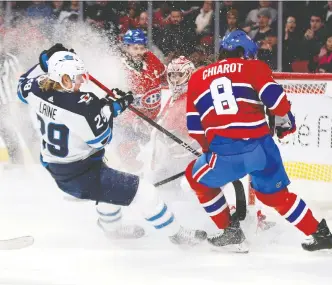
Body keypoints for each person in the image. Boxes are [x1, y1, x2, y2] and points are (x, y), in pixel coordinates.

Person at [16, 44, 206, 245]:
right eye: (77, 76)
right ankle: (178, 235)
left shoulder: (37, 88)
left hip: (56, 164)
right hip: (81, 172)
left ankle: (111, 229)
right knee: (146, 193)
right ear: (63, 79)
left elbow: (22, 84)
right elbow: (102, 139)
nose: (83, 80)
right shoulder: (81, 107)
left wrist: (45, 61)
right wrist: (111, 108)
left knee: (109, 187)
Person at [184, 30, 332, 253]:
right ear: (246, 53)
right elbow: (279, 105)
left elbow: (195, 128)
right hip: (262, 148)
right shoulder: (254, 67)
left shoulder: (198, 77)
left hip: (226, 152)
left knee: (195, 177)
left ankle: (232, 233)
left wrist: (210, 151)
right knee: (275, 196)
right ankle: (322, 235)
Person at [118, 29, 166, 172]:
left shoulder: (151, 58)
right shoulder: (119, 68)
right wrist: (135, 121)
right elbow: (119, 101)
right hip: (130, 123)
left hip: (154, 119)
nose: (139, 52)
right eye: (135, 48)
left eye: (142, 48)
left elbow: (165, 77)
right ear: (127, 47)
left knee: (157, 158)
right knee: (131, 158)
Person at [0, 41, 39, 166]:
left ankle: (41, 162)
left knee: (26, 130)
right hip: (4, 105)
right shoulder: (10, 59)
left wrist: (15, 103)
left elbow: (18, 80)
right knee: (8, 135)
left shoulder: (10, 60)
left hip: (13, 103)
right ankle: (18, 166)